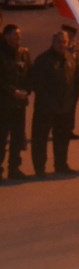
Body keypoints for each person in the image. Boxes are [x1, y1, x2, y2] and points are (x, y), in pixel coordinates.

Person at [29, 30, 79, 176]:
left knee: (62, 139)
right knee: (40, 139)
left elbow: (76, 82)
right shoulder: (43, 60)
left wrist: (71, 102)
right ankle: (40, 168)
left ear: (68, 43)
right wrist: (51, 103)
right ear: (53, 42)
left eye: (64, 42)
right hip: (46, 108)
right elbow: (37, 84)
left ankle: (61, 165)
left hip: (65, 108)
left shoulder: (71, 58)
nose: (61, 45)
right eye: (58, 42)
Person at [0, 24, 31, 180]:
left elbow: (29, 75)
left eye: (19, 34)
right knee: (1, 138)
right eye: (14, 35)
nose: (18, 37)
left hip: (19, 104)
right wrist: (13, 92)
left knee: (17, 138)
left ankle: (14, 169)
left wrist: (27, 91)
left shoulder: (24, 53)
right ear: (6, 36)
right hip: (4, 104)